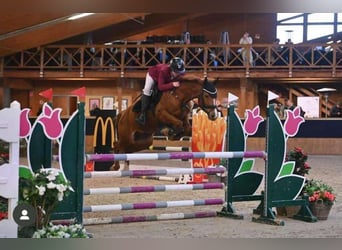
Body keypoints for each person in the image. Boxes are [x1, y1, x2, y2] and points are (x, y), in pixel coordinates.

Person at [135, 57, 186, 125]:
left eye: (179, 72)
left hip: (166, 79)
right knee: (147, 90)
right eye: (176, 72)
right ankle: (143, 114)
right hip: (153, 75)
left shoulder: (181, 73)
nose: (178, 74)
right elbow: (160, 87)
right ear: (171, 69)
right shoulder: (163, 71)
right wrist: (172, 84)